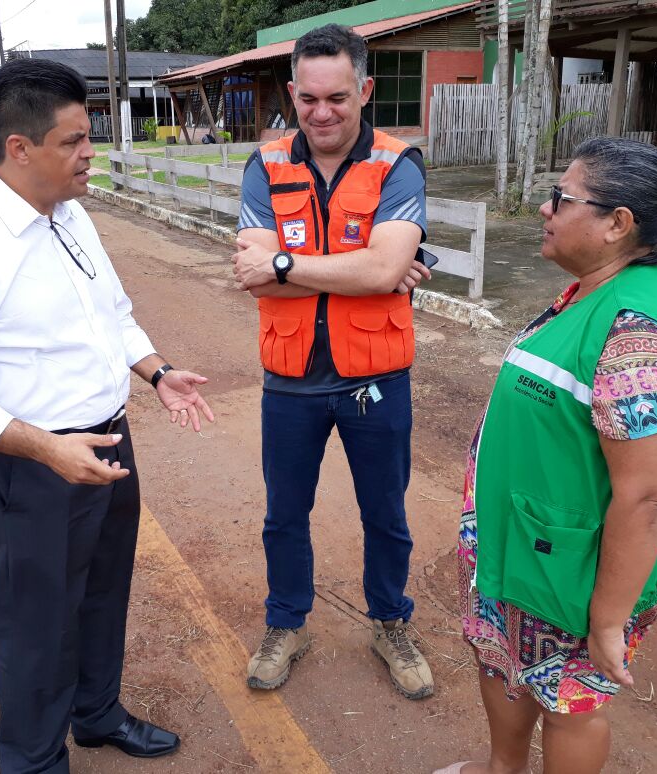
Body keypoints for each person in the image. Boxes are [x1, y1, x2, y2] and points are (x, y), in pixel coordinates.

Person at [0, 58, 213, 773]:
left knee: (102, 593)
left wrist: (157, 373)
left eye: (88, 135)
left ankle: (96, 714)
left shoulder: (71, 217)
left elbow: (113, 316)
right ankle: (35, 760)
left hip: (106, 443)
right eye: (74, 140)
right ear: (20, 148)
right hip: (28, 468)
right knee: (33, 626)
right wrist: (46, 449)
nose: (90, 151)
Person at [434, 137, 657, 774]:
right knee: (504, 663)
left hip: (573, 568)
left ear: (618, 224)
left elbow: (646, 495)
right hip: (528, 544)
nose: (545, 208)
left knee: (570, 703)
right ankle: (503, 768)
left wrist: (609, 620)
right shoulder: (594, 293)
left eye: (561, 198)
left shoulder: (634, 333)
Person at [232, 24, 435, 700]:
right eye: (309, 98)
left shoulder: (397, 164)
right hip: (290, 381)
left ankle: (390, 621)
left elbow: (378, 270)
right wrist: (371, 270)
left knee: (386, 513)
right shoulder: (266, 166)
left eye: (338, 98)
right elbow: (257, 279)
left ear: (365, 90)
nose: (322, 113)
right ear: (292, 92)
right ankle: (286, 623)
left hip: (375, 379)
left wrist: (287, 263)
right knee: (284, 514)